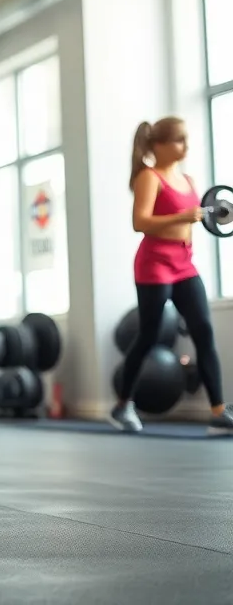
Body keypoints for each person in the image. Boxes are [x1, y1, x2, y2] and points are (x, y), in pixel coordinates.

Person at [110, 117, 231, 435]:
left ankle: (218, 410)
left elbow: (202, 215)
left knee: (203, 330)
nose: (185, 146)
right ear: (159, 145)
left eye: (186, 140)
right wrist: (180, 216)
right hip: (154, 264)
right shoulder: (149, 177)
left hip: (184, 263)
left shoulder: (187, 179)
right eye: (179, 140)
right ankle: (123, 404)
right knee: (148, 336)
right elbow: (140, 222)